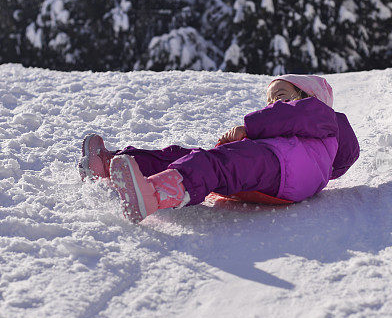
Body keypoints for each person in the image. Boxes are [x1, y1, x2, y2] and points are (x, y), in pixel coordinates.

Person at [79, 74, 360, 223]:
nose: (273, 103)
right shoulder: (290, 137)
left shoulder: (322, 116)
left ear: (308, 97)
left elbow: (292, 117)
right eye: (270, 98)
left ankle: (152, 195)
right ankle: (111, 164)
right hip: (267, 178)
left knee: (215, 163)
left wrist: (249, 130)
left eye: (282, 96)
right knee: (189, 157)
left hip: (281, 169)